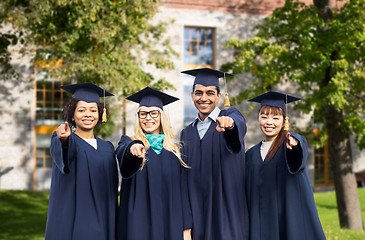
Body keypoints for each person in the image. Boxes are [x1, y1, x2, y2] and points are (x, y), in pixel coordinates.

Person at [246, 91, 326, 240]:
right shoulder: (250, 155)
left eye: (275, 118)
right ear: (258, 119)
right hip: (260, 225)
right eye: (264, 117)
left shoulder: (289, 145)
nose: (269, 122)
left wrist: (295, 145)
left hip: (286, 222)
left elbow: (296, 158)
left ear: (284, 121)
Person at [180, 68, 249, 240]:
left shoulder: (230, 117)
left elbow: (237, 127)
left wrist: (230, 125)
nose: (204, 98)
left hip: (226, 214)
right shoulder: (187, 133)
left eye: (210, 93)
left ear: (219, 96)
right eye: (199, 93)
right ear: (192, 95)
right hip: (198, 219)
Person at [116, 87, 192, 240]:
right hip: (137, 224)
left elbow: (183, 193)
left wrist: (186, 230)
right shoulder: (129, 142)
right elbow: (122, 154)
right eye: (143, 114)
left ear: (161, 116)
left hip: (170, 223)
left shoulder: (175, 151)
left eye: (153, 113)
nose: (148, 118)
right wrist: (133, 149)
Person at [45, 83, 119, 240]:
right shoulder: (67, 140)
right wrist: (63, 139)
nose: (88, 114)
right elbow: (63, 153)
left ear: (100, 115)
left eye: (93, 110)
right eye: (81, 110)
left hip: (104, 220)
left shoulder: (107, 148)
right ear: (72, 115)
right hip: (75, 221)